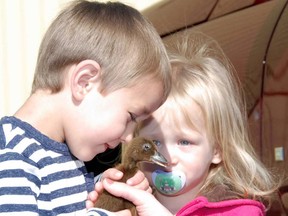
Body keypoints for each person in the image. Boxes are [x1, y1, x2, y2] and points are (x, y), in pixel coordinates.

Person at [0, 0, 172, 215]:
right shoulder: (11, 155)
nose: (128, 138)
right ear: (85, 82)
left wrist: (107, 191)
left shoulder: (67, 155)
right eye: (130, 117)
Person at [86, 32, 280, 216]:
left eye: (184, 142)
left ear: (217, 150)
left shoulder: (240, 212)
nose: (168, 158)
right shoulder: (128, 205)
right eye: (155, 143)